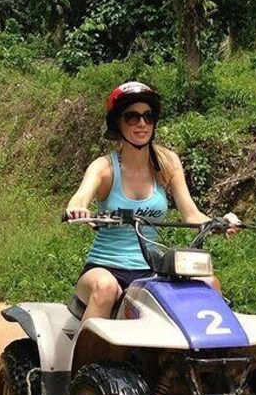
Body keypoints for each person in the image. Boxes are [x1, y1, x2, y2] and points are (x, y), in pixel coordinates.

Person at [65, 81, 239, 322]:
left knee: (209, 283)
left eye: (148, 116)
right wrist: (78, 208)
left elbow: (191, 214)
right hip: (105, 268)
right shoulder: (104, 167)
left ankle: (209, 355)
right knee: (105, 288)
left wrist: (219, 221)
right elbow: (81, 196)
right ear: (118, 122)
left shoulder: (167, 163)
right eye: (132, 117)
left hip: (153, 269)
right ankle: (83, 360)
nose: (142, 124)